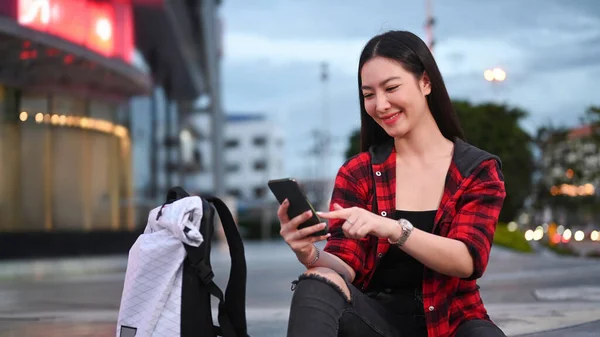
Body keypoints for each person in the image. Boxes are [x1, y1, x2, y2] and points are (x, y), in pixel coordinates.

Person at [277, 30, 507, 337]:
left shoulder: (476, 170)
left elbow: (466, 260)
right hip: (377, 321)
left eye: (391, 88)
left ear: (425, 82)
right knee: (316, 280)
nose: (381, 105)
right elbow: (346, 265)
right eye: (369, 95)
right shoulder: (358, 172)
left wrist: (394, 229)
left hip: (454, 320)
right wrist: (309, 254)